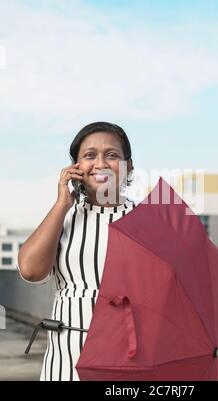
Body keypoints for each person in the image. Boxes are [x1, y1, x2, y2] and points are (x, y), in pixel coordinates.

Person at [17, 122, 136, 381]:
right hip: (65, 360)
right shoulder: (63, 218)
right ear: (75, 167)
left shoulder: (148, 223)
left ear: (129, 167)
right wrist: (62, 203)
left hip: (128, 359)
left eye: (112, 155)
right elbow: (30, 270)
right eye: (90, 155)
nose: (101, 163)